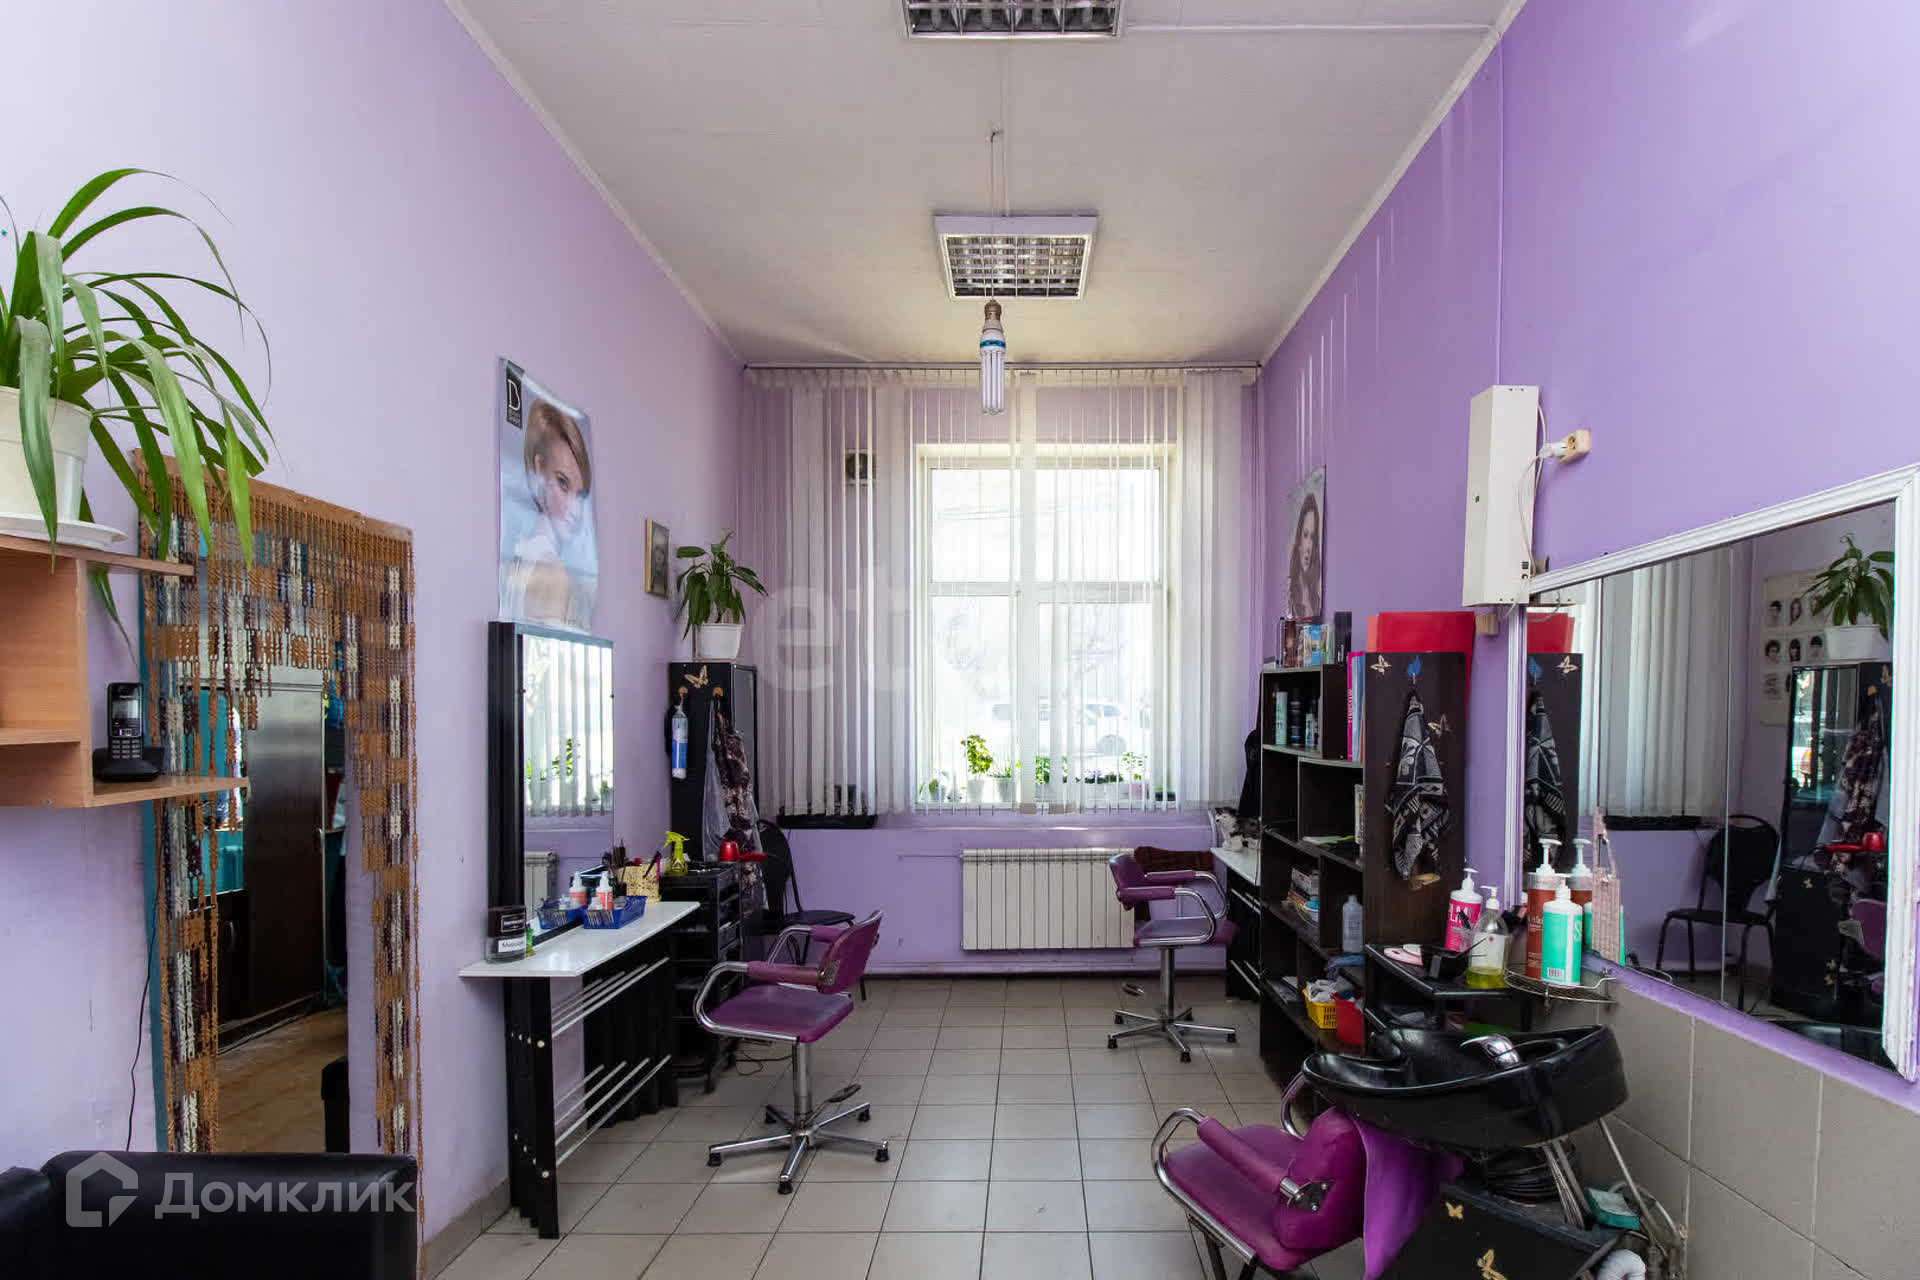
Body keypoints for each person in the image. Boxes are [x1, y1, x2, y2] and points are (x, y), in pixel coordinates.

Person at [507, 397, 594, 626]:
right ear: (538, 468)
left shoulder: (521, 558)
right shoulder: (553, 570)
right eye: (563, 483)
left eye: (580, 495)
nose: (574, 510)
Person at [1287, 491, 1323, 620]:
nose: (1308, 547)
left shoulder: (1316, 600)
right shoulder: (1290, 593)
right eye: (1305, 535)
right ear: (1299, 541)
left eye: (1312, 537)